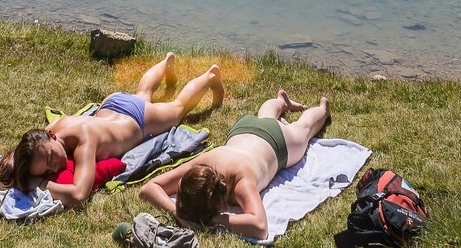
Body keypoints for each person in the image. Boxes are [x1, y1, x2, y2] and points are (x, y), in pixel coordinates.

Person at [5, 53, 223, 207]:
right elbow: (23, 154)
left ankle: (211, 76)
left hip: (138, 118)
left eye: (51, 156)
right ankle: (165, 62)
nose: (55, 165)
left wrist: (41, 183)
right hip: (111, 104)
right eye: (47, 169)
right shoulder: (49, 130)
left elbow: (79, 195)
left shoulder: (84, 143)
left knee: (178, 109)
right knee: (142, 92)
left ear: (51, 137)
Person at [140, 88, 329, 239]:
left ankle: (322, 109)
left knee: (304, 128)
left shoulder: (240, 182)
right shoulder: (200, 166)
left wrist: (212, 221)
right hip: (243, 128)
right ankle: (280, 102)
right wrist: (176, 212)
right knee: (266, 118)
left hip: (277, 141)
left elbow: (260, 227)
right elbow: (148, 188)